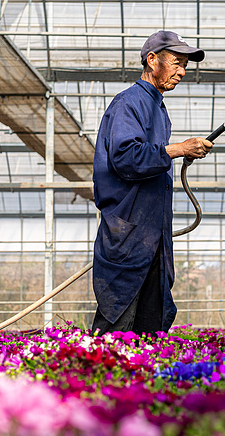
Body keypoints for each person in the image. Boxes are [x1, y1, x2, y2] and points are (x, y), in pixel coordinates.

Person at [90, 31, 213, 335]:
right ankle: (98, 379)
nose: (182, 71)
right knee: (118, 317)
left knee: (151, 320)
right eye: (176, 62)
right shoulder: (129, 103)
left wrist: (176, 153)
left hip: (152, 234)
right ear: (152, 60)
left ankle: (143, 380)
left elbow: (149, 158)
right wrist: (177, 149)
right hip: (129, 231)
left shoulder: (158, 109)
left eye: (185, 65)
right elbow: (126, 157)